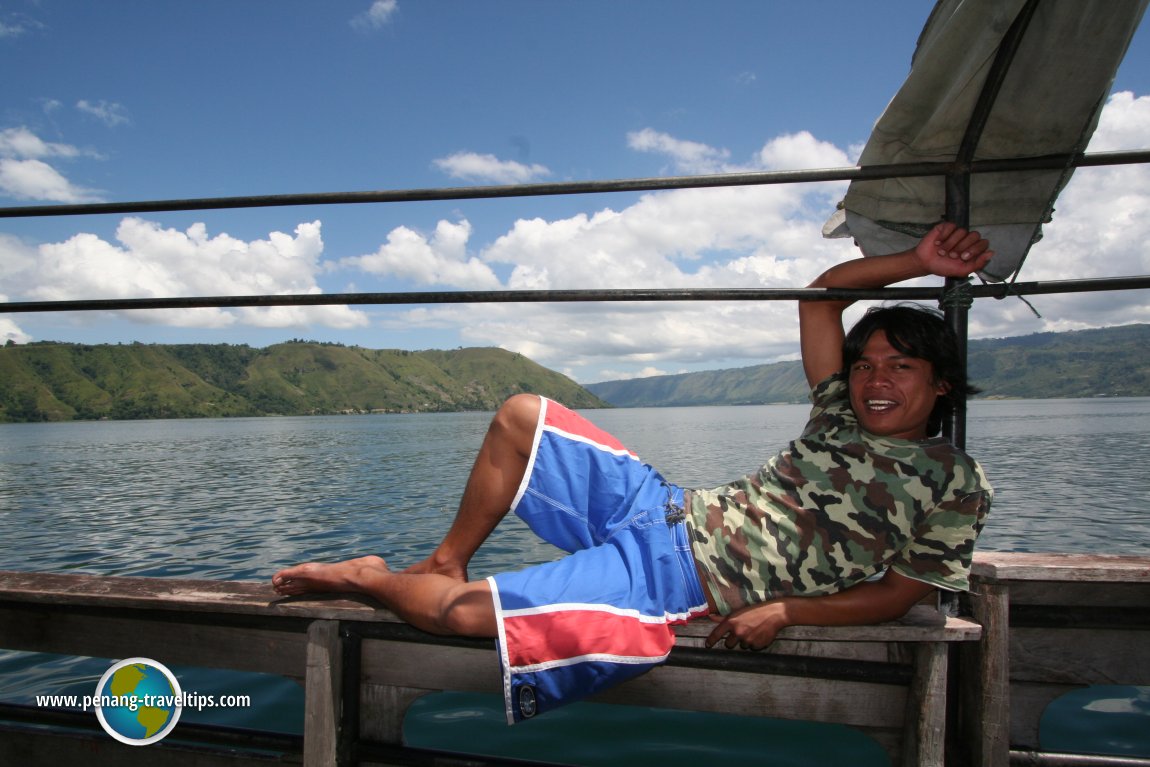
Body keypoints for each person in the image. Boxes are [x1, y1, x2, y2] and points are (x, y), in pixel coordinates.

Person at [272, 221, 995, 724]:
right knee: (521, 414)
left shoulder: (951, 481)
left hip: (669, 581)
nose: (875, 378)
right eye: (867, 362)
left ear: (942, 386)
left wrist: (788, 609)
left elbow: (899, 593)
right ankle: (444, 556)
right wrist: (919, 260)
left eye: (900, 366)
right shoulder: (837, 412)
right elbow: (821, 295)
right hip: (663, 506)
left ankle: (365, 574)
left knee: (458, 616)